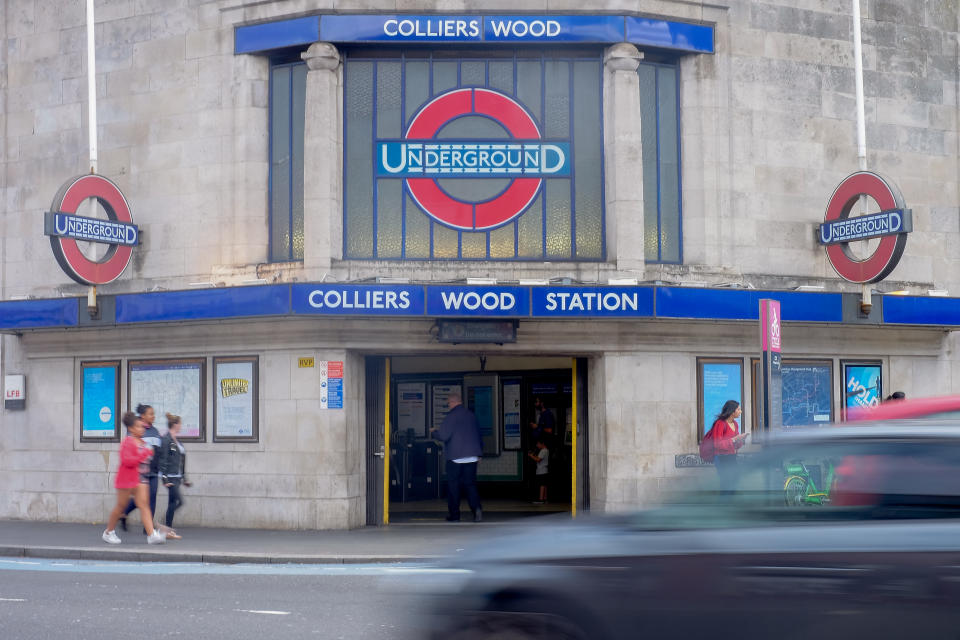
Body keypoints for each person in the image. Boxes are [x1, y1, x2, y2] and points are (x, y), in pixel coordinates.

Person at [102, 412, 166, 545]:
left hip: (141, 479)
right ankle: (108, 532)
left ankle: (151, 535)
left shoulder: (143, 442)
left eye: (142, 427)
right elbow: (127, 461)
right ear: (131, 428)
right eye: (138, 427)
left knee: (144, 505)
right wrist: (144, 455)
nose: (142, 429)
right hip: (127, 480)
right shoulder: (128, 442)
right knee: (121, 507)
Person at [431, 392, 483, 522]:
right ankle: (477, 510)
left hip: (455, 457)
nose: (448, 405)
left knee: (453, 486)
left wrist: (433, 433)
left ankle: (455, 515)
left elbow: (443, 436)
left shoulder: (451, 416)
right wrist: (479, 453)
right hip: (472, 457)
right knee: (470, 485)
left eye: (448, 403)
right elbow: (479, 435)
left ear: (452, 402)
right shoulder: (471, 415)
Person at [119, 404, 162, 534]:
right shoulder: (134, 431)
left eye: (153, 414)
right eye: (150, 414)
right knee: (141, 500)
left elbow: (158, 452)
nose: (153, 416)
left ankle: (147, 529)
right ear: (143, 416)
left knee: (152, 496)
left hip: (153, 472)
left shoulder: (155, 431)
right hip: (139, 473)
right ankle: (123, 513)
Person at [158, 413, 192, 540]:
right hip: (170, 477)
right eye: (180, 423)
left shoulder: (177, 441)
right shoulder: (166, 440)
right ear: (175, 424)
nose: (181, 426)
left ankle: (166, 529)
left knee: (173, 502)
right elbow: (163, 459)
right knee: (178, 502)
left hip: (177, 476)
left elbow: (181, 462)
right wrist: (165, 478)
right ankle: (165, 526)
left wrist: (185, 478)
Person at [710, 400, 748, 489]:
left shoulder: (735, 424)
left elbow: (735, 445)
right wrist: (734, 439)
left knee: (734, 482)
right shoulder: (720, 424)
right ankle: (724, 502)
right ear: (732, 411)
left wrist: (741, 440)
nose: (740, 411)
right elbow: (717, 444)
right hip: (721, 457)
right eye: (738, 409)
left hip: (731, 457)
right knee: (726, 484)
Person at [527, 438, 549, 504]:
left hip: (541, 470)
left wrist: (531, 456)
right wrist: (534, 455)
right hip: (545, 470)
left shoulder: (543, 451)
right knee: (544, 484)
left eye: (538, 444)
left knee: (541, 484)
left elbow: (538, 460)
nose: (537, 445)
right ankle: (545, 499)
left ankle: (541, 500)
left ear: (542, 444)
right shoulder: (546, 450)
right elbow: (539, 458)